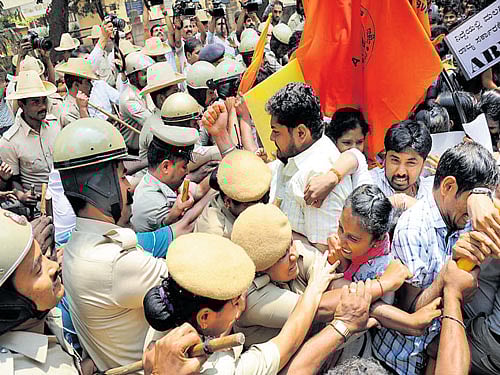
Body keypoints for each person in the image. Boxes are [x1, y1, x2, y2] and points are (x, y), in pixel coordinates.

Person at [372, 141, 500, 375]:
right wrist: (448, 280)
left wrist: (478, 197)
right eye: (471, 199)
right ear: (449, 186)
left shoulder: (461, 216)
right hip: (401, 363)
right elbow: (410, 310)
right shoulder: (414, 228)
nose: (474, 213)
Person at [53, 118, 168, 372]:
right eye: (123, 177)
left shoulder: (76, 245)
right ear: (102, 187)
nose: (130, 187)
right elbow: (192, 283)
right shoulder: (115, 263)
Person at [142, 232, 340, 374]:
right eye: (236, 301)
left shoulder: (170, 310)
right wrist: (314, 287)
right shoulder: (219, 369)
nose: (243, 303)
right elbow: (286, 344)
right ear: (204, 317)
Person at [264, 83, 371, 247]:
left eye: (276, 131)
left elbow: (325, 254)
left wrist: (277, 233)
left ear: (301, 133)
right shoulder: (295, 156)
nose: (271, 137)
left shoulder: (317, 175)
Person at [0, 209, 93, 374]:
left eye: (43, 256)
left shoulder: (34, 318)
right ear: (10, 303)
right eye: (37, 269)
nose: (54, 266)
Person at [131, 126, 211, 233]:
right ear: (165, 167)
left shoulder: (166, 182)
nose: (187, 171)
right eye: (184, 167)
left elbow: (199, 190)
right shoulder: (152, 202)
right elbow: (185, 227)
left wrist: (218, 175)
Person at [0, 70, 60, 200]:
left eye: (44, 100)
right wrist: (23, 196)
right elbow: (13, 180)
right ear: (22, 104)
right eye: (35, 102)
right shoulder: (9, 141)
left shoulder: (55, 124)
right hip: (39, 205)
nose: (43, 106)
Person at [194, 149, 271, 237]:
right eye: (249, 205)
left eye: (262, 200)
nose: (257, 209)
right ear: (227, 202)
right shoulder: (214, 230)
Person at [369, 120, 433, 200]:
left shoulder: (432, 193)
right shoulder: (369, 183)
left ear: (423, 164)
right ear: (385, 157)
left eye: (411, 163)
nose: (401, 172)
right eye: (395, 160)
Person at [137, 62, 185, 162]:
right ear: (162, 99)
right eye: (175, 91)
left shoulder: (168, 119)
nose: (179, 95)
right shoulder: (156, 129)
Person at [119, 51, 155, 152]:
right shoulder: (129, 100)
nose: (148, 77)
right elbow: (150, 121)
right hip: (135, 151)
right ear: (133, 76)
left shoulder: (145, 89)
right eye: (144, 73)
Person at [55, 58, 98, 128]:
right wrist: (83, 110)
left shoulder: (81, 102)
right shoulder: (68, 112)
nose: (91, 85)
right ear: (76, 85)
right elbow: (87, 133)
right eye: (87, 82)